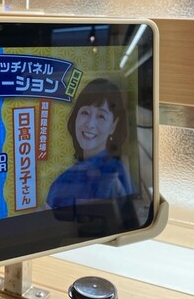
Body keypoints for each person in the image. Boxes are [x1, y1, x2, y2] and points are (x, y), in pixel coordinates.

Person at [46, 78, 135, 209]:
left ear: (113, 125)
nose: (90, 124)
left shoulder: (115, 175)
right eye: (85, 113)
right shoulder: (62, 180)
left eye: (101, 116)